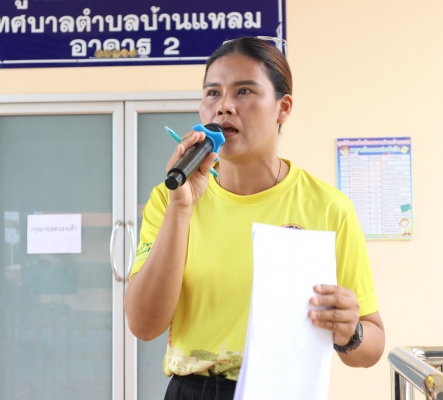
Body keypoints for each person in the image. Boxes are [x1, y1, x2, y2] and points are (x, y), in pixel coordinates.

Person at [124, 36, 385, 400]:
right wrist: (180, 209)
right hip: (192, 390)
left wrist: (349, 331)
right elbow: (143, 325)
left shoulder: (329, 207)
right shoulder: (170, 198)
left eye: (244, 91)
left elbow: (371, 346)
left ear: (283, 108)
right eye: (213, 93)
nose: (224, 106)